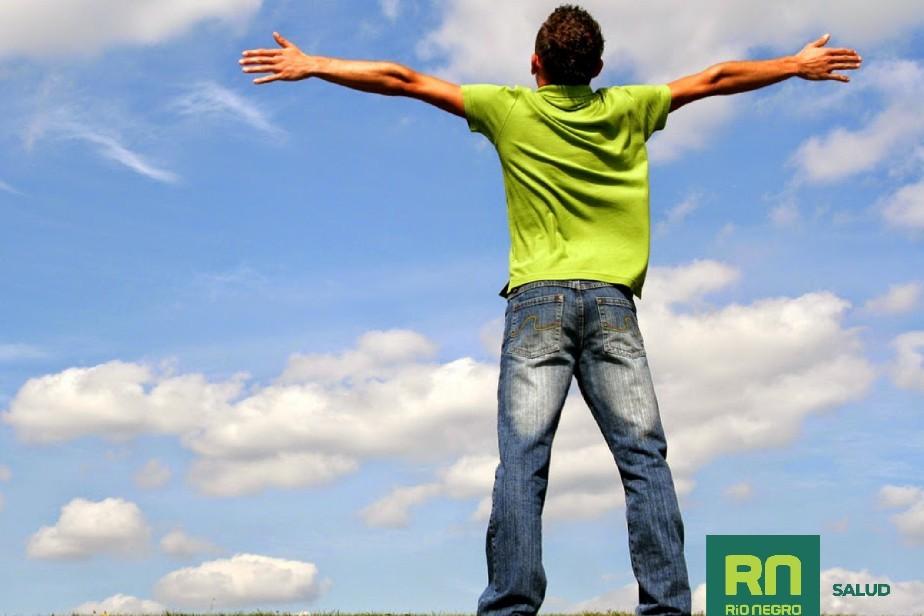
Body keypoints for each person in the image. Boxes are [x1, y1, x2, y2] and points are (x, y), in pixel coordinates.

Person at [239, 5, 861, 615]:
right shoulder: (630, 107)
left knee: (523, 460)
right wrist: (795, 64)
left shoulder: (509, 109)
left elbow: (402, 79)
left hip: (537, 302)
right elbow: (717, 78)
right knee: (643, 458)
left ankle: (511, 607)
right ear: (598, 68)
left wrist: (313, 64)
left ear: (535, 63)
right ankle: (666, 605)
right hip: (613, 303)